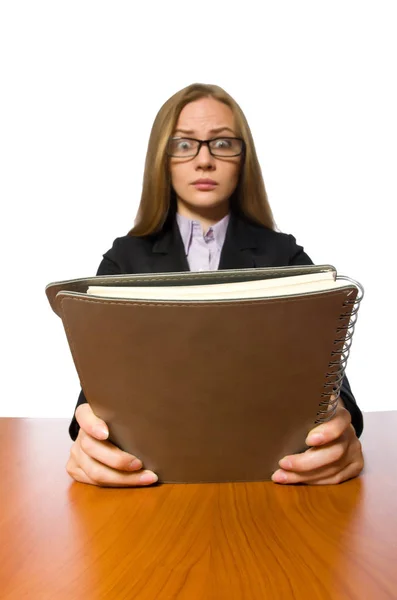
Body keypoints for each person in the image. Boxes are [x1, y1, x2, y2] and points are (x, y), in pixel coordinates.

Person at [66, 83, 364, 488]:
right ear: (162, 158)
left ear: (244, 160)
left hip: (269, 473)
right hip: (152, 476)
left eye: (222, 143)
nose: (204, 160)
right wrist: (87, 439)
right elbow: (99, 381)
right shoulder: (124, 261)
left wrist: (341, 420)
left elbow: (326, 368)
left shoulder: (286, 256)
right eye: (184, 145)